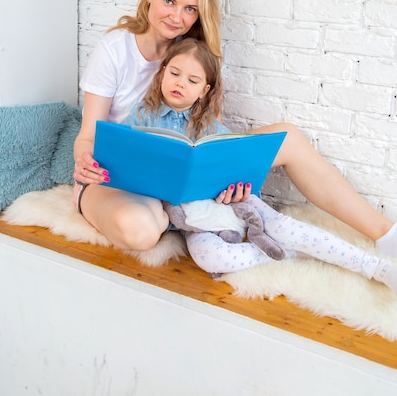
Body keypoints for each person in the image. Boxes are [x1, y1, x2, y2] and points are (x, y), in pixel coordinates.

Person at [73, 0, 397, 259]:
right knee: (140, 231)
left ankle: (386, 234)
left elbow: (204, 134)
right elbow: (89, 135)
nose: (177, 16)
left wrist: (226, 179)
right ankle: (169, 214)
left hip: (179, 176)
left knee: (289, 138)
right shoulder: (115, 49)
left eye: (190, 8)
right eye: (168, 1)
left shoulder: (193, 55)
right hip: (118, 179)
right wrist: (85, 159)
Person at [122, 37, 397, 292]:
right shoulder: (141, 115)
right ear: (162, 72)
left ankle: (377, 267)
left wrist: (238, 187)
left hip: (230, 203)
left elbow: (234, 166)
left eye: (192, 80)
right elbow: (126, 159)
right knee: (211, 258)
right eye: (174, 74)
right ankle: (288, 252)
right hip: (195, 221)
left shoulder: (211, 127)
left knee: (285, 227)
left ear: (204, 91)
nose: (180, 83)